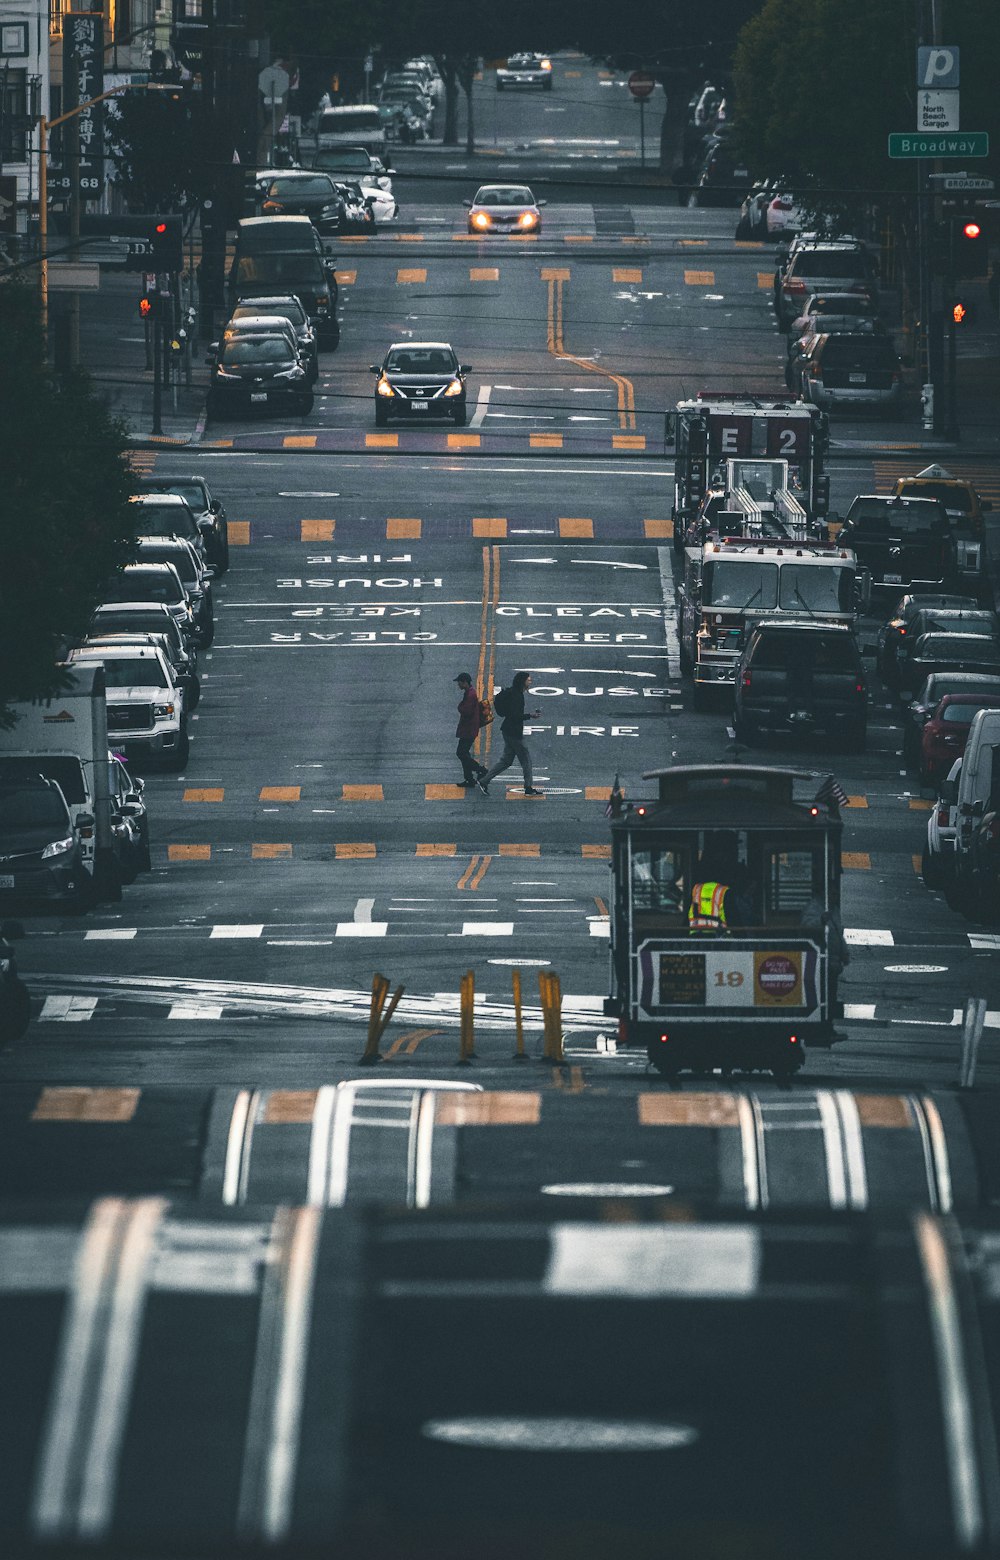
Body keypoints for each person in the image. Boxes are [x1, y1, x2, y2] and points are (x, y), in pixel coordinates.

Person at [477, 671, 543, 797]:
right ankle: (528, 788)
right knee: (526, 760)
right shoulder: (517, 696)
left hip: (508, 730)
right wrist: (530, 716)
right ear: (523, 681)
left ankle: (484, 781)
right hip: (514, 733)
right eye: (528, 680)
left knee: (506, 761)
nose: (530, 682)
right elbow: (514, 715)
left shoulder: (514, 693)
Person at [453, 673, 487, 787]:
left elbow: (466, 711)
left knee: (461, 753)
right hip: (468, 728)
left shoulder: (471, 694)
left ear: (465, 682)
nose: (458, 684)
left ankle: (480, 769)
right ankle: (469, 779)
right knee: (464, 753)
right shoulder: (469, 692)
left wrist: (460, 706)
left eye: (460, 682)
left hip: (469, 729)